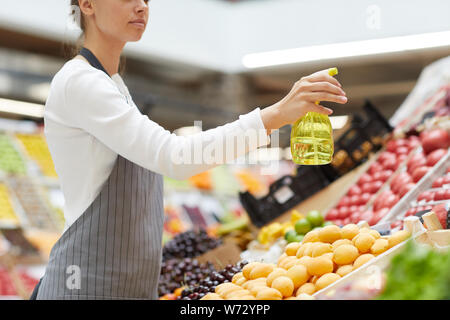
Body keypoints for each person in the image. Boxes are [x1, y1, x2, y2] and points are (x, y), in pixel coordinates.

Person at [30, 0, 347, 300]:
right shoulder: (81, 82)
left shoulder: (112, 85)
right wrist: (274, 115)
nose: (142, 6)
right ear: (86, 4)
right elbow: (174, 156)